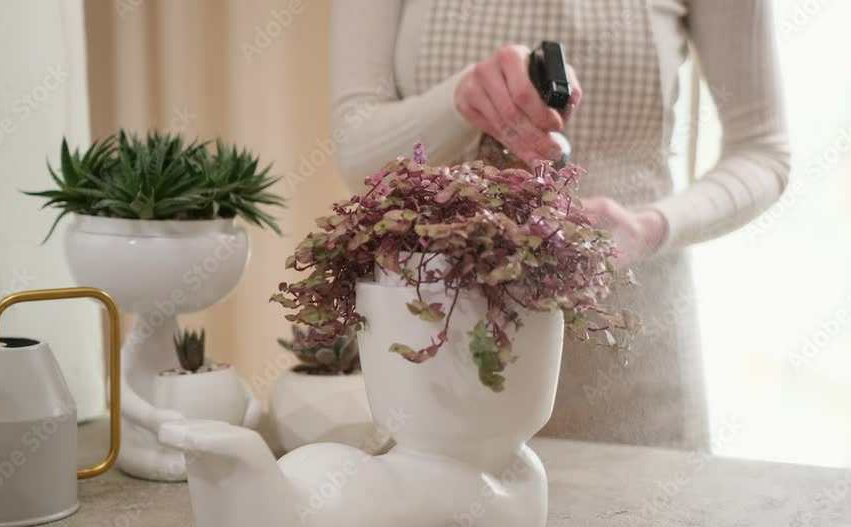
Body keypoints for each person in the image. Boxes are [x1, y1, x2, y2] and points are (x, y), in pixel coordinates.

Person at [330, 0, 790, 450]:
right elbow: (357, 146)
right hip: (435, 343)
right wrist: (458, 101)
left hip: (626, 350)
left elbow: (763, 151)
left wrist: (651, 228)